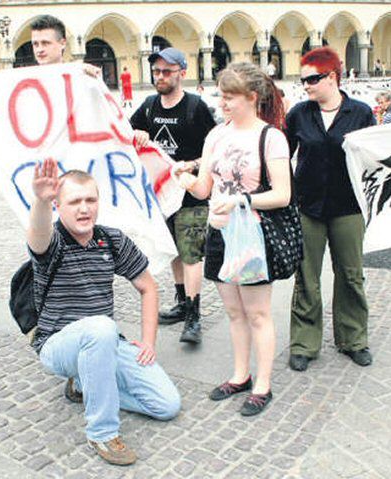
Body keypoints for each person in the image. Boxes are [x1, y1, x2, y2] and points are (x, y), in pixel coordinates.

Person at [28, 160, 180, 465]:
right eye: (74, 202)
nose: (84, 209)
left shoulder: (111, 240)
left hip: (105, 341)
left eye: (90, 200)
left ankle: (87, 383)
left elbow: (148, 287)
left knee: (167, 405)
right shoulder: (54, 241)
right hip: (58, 345)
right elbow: (38, 235)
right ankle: (102, 432)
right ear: (59, 205)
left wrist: (148, 343)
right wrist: (40, 203)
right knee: (100, 327)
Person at [174, 62, 290, 416]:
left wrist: (242, 200)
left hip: (252, 233)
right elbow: (206, 187)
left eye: (229, 97)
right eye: (220, 96)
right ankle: (240, 375)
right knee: (234, 312)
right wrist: (186, 181)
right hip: (221, 233)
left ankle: (263, 384)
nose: (221, 103)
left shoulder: (270, 137)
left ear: (252, 98)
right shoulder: (216, 136)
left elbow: (284, 194)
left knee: (257, 313)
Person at [285, 47, 376, 372]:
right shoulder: (298, 114)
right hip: (308, 207)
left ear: (333, 77)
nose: (306, 85)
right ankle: (304, 343)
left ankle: (353, 339)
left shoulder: (361, 112)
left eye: (312, 78)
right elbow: (282, 157)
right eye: (303, 79)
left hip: (348, 207)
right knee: (306, 278)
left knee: (351, 275)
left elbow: (373, 161)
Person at [130, 47, 216, 344]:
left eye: (167, 71)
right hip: (162, 198)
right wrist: (137, 136)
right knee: (175, 251)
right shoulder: (149, 106)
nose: (161, 77)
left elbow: (215, 150)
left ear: (182, 72)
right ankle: (181, 302)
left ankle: (193, 316)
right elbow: (124, 135)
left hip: (191, 196)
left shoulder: (196, 107)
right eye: (156, 72)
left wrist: (190, 166)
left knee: (191, 254)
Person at [31, 14, 100, 78]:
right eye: (35, 44)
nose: (39, 50)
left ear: (62, 43)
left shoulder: (82, 76)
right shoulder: (25, 79)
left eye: (45, 43)